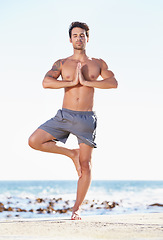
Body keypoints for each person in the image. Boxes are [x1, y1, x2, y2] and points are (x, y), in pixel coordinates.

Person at [28, 21, 118, 220]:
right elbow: (46, 82)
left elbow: (113, 83)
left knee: (86, 166)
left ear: (88, 38)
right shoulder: (62, 63)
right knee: (34, 141)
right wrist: (70, 82)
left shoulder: (98, 63)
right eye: (75, 35)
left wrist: (87, 82)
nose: (79, 38)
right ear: (70, 40)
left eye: (82, 35)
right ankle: (71, 153)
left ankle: (77, 209)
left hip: (86, 118)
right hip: (65, 115)